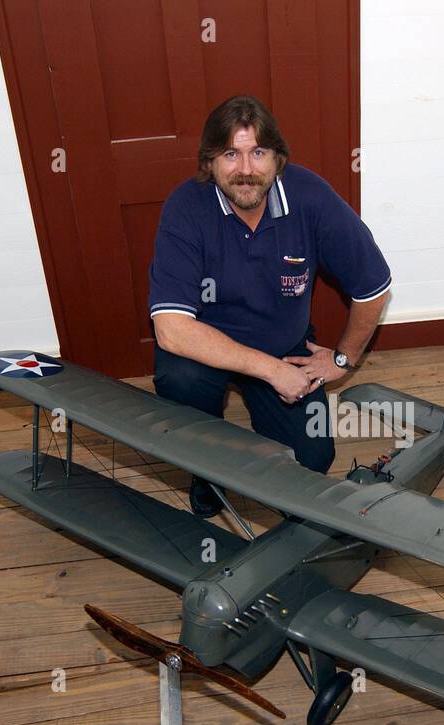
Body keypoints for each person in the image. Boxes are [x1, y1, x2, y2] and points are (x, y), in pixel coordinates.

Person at [147, 95, 392, 517]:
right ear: (209, 162)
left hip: (284, 346)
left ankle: (264, 446)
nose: (245, 169)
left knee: (312, 462)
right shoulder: (185, 207)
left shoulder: (310, 197)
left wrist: (343, 358)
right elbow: (170, 329)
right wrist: (271, 371)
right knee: (179, 378)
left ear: (278, 159)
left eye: (258, 152)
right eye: (231, 154)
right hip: (206, 350)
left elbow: (374, 287)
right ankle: (208, 471)